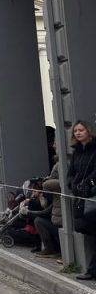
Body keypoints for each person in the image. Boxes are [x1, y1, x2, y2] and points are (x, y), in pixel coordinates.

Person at [67, 120, 96, 281]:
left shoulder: (94, 149)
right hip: (80, 197)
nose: (78, 133)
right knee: (82, 226)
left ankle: (91, 270)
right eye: (75, 131)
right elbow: (71, 173)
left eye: (81, 130)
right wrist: (72, 184)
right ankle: (92, 270)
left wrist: (87, 184)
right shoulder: (77, 151)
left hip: (92, 195)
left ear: (88, 131)